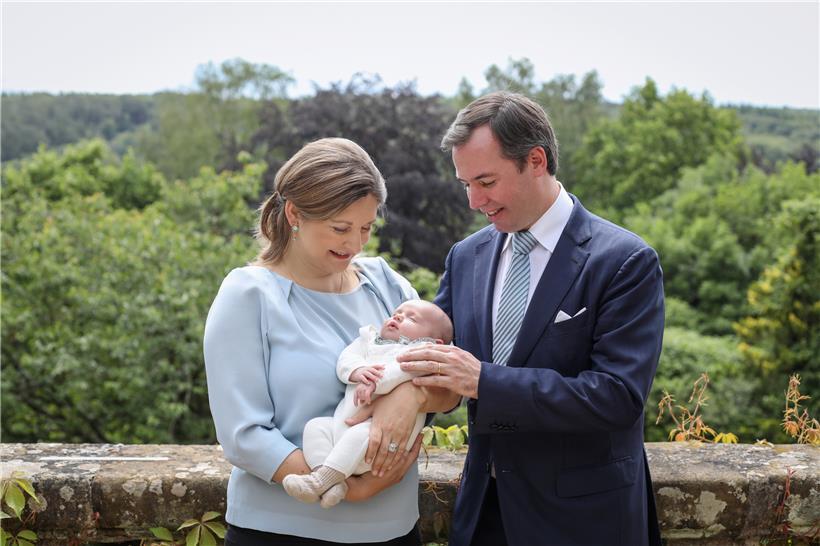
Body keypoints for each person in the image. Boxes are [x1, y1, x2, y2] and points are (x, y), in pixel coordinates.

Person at [398, 92, 665, 546]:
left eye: (485, 181)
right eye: (465, 184)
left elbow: (618, 397)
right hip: (483, 516)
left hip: (585, 522)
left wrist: (486, 381)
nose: (473, 201)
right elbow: (441, 368)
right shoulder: (466, 257)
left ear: (536, 160)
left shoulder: (623, 260)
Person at [204, 138, 456, 545]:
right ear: (294, 214)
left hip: (394, 530)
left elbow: (448, 385)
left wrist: (412, 398)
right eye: (340, 228)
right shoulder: (249, 295)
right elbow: (243, 434)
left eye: (366, 228)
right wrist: (348, 488)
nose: (355, 244)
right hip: (280, 530)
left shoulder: (386, 283)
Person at [282, 299, 453, 509]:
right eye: (397, 312)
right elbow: (347, 358)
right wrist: (356, 370)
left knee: (360, 434)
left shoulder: (423, 354)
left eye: (411, 318)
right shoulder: (370, 339)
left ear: (435, 342)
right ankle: (330, 479)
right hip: (341, 425)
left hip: (378, 441)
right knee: (316, 427)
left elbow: (401, 371)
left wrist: (375, 383)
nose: (398, 316)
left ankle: (319, 482)